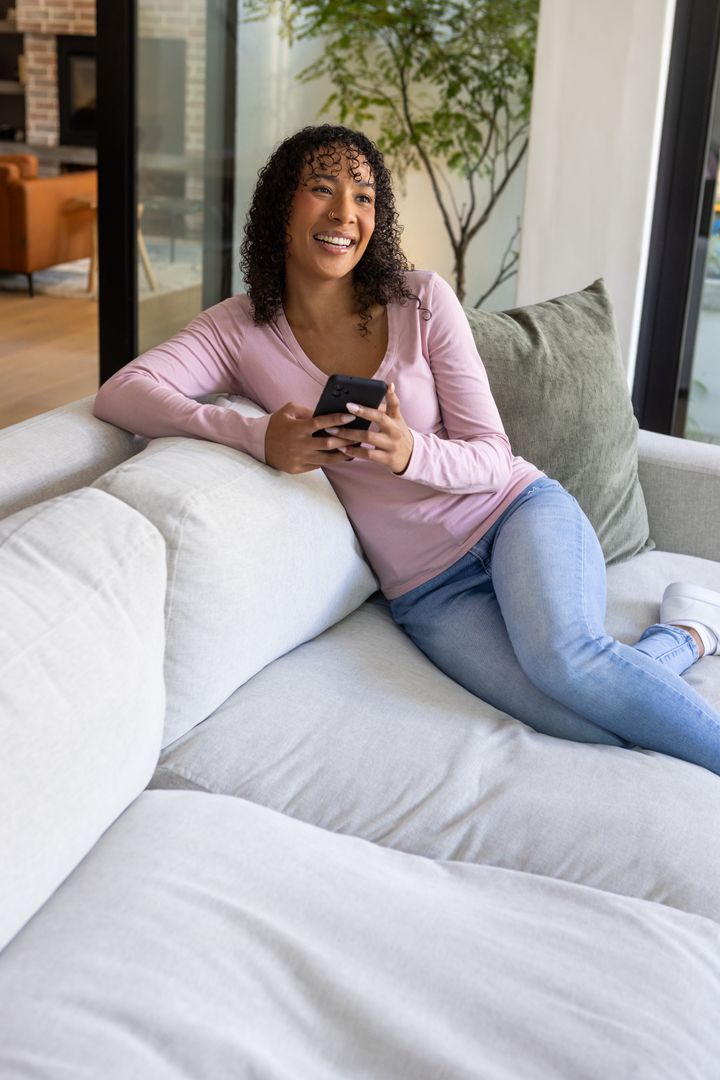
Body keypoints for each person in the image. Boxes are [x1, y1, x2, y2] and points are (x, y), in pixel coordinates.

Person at [94, 123, 720, 775]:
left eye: (363, 197)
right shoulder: (238, 329)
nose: (344, 213)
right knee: (576, 720)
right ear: (281, 206)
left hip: (515, 515)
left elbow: (493, 458)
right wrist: (258, 436)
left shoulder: (420, 300)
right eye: (321, 189)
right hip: (428, 590)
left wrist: (409, 453)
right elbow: (123, 392)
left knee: (566, 659)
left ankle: (685, 639)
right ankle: (685, 636)